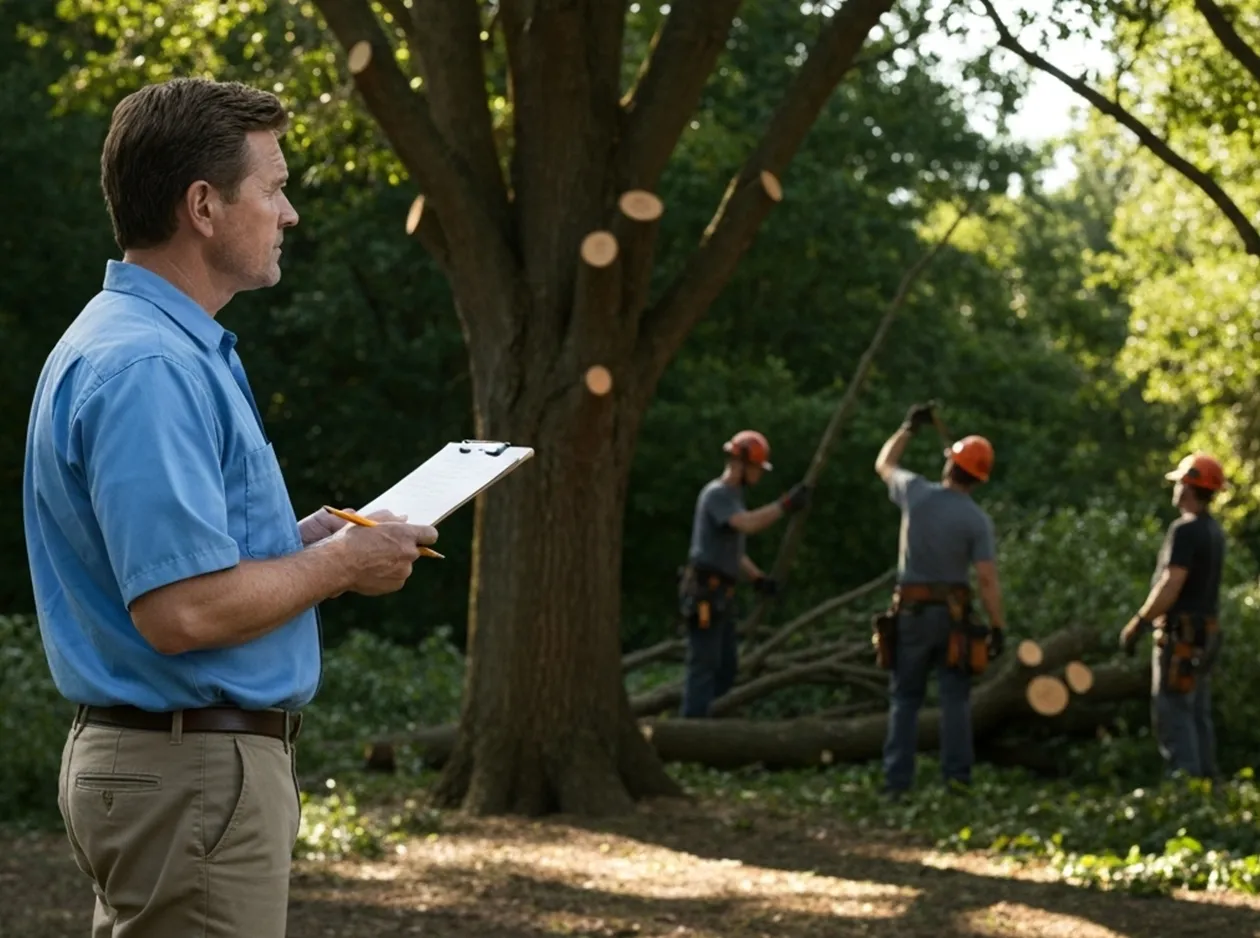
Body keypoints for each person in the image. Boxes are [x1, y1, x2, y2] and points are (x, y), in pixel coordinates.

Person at [21, 78, 438, 938]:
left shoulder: (142, 345)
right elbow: (182, 610)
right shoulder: (151, 369)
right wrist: (339, 565)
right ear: (203, 206)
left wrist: (304, 543)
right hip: (190, 775)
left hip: (173, 772)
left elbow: (187, 570)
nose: (288, 213)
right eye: (274, 188)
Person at [873, 403, 1006, 796]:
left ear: (950, 466)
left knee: (905, 699)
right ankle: (957, 781)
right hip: (953, 621)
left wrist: (908, 428)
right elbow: (985, 578)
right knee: (954, 702)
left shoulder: (915, 492)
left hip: (911, 615)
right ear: (978, 479)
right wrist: (997, 626)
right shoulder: (977, 520)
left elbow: (884, 462)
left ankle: (896, 783)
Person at [678, 429, 811, 718]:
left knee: (726, 668)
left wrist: (758, 579)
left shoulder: (733, 497)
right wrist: (784, 506)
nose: (760, 474)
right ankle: (691, 732)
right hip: (705, 594)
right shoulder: (717, 494)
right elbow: (747, 524)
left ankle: (709, 721)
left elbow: (734, 553)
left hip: (721, 596)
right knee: (704, 666)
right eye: (756, 468)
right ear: (740, 464)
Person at [1119, 452, 1227, 780]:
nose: (1176, 487)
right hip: (1204, 636)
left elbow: (1172, 583)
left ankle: (1187, 786)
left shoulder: (1185, 530)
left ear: (1190, 487)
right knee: (1197, 712)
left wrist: (1140, 621)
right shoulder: (1214, 532)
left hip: (1180, 637)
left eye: (1180, 482)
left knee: (1173, 713)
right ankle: (1209, 785)